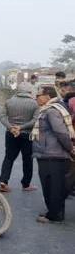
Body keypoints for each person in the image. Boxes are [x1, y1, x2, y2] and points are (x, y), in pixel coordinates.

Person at [31, 86, 75, 224]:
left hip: (52, 154)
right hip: (49, 153)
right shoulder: (47, 110)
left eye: (38, 95)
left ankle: (54, 215)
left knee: (53, 186)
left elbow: (61, 132)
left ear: (47, 96)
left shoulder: (52, 111)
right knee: (54, 185)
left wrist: (70, 149)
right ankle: (56, 212)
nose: (36, 97)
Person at [0, 82, 40, 192]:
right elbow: (35, 120)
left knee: (9, 157)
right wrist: (21, 127)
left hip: (11, 134)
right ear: (29, 91)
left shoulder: (9, 101)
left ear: (18, 90)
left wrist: (11, 127)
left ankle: (3, 181)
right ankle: (26, 184)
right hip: (27, 135)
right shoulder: (34, 104)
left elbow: (2, 117)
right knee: (27, 159)